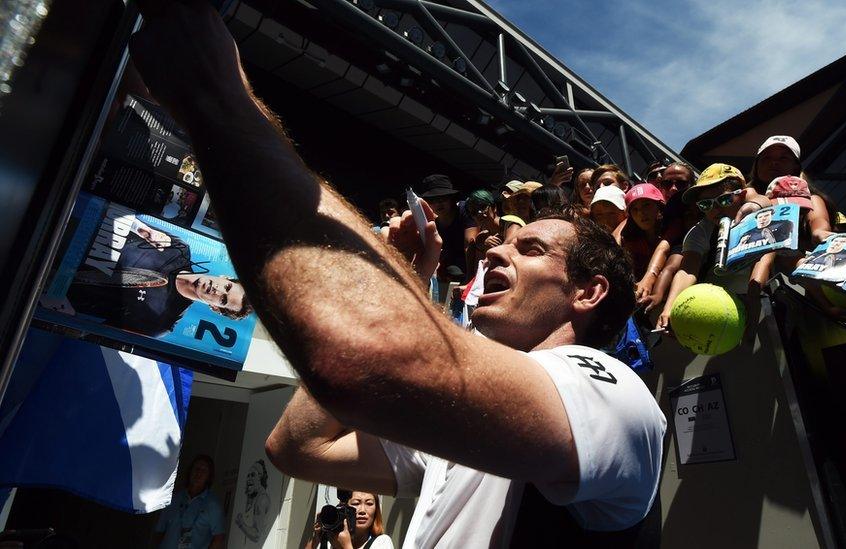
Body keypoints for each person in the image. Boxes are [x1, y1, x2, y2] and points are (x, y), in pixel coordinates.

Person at [131, 4, 666, 547]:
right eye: (500, 242)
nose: (495, 254)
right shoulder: (469, 420)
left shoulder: (617, 399)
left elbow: (359, 358)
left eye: (530, 249)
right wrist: (410, 273)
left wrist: (221, 99)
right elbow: (296, 446)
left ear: (587, 291)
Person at [62, 217, 252, 337]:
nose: (218, 290)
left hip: (48, 279)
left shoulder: (160, 323)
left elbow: (88, 330)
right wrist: (141, 229)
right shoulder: (179, 248)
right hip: (65, 230)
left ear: (215, 308)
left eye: (223, 299)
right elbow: (123, 219)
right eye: (227, 287)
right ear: (225, 277)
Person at [657, 164, 775, 336]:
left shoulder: (760, 219)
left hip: (763, 307)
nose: (715, 209)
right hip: (719, 311)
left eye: (724, 200)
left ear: (742, 196)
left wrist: (755, 206)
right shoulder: (701, 230)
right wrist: (670, 308)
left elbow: (762, 201)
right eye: (705, 205)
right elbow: (688, 269)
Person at [614, 184, 670, 312]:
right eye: (635, 209)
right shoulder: (628, 239)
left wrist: (649, 278)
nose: (641, 213)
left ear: (659, 206)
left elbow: (664, 251)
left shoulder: (672, 228)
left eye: (646, 205)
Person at [153, 455, 225, 549]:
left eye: (204, 471)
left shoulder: (213, 505)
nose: (199, 473)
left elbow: (219, 539)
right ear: (190, 471)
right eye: (196, 468)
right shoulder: (173, 499)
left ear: (209, 477)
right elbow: (160, 532)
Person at [417, 174, 474, 283]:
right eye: (432, 200)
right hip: (450, 274)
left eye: (442, 198)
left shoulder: (464, 210)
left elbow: (470, 244)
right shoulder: (432, 224)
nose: (438, 203)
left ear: (451, 198)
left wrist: (470, 279)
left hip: (473, 269)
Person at [306, 491, 394, 549]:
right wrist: (317, 538)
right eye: (356, 503)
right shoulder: (333, 542)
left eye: (369, 504)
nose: (362, 510)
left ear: (376, 510)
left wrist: (346, 545)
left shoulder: (382, 542)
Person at [234, 459, 271, 543]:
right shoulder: (254, 497)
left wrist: (241, 523)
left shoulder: (261, 500)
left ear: (260, 477)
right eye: (248, 475)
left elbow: (257, 535)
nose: (249, 479)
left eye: (253, 475)